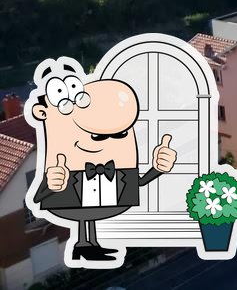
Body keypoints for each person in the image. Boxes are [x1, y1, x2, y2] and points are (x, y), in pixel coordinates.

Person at [27, 58, 176, 263]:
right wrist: (51, 185)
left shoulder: (117, 167)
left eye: (117, 135)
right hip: (76, 193)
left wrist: (158, 168)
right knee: (83, 212)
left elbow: (137, 182)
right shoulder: (63, 166)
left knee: (88, 213)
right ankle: (84, 245)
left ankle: (87, 245)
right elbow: (38, 198)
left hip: (102, 197)